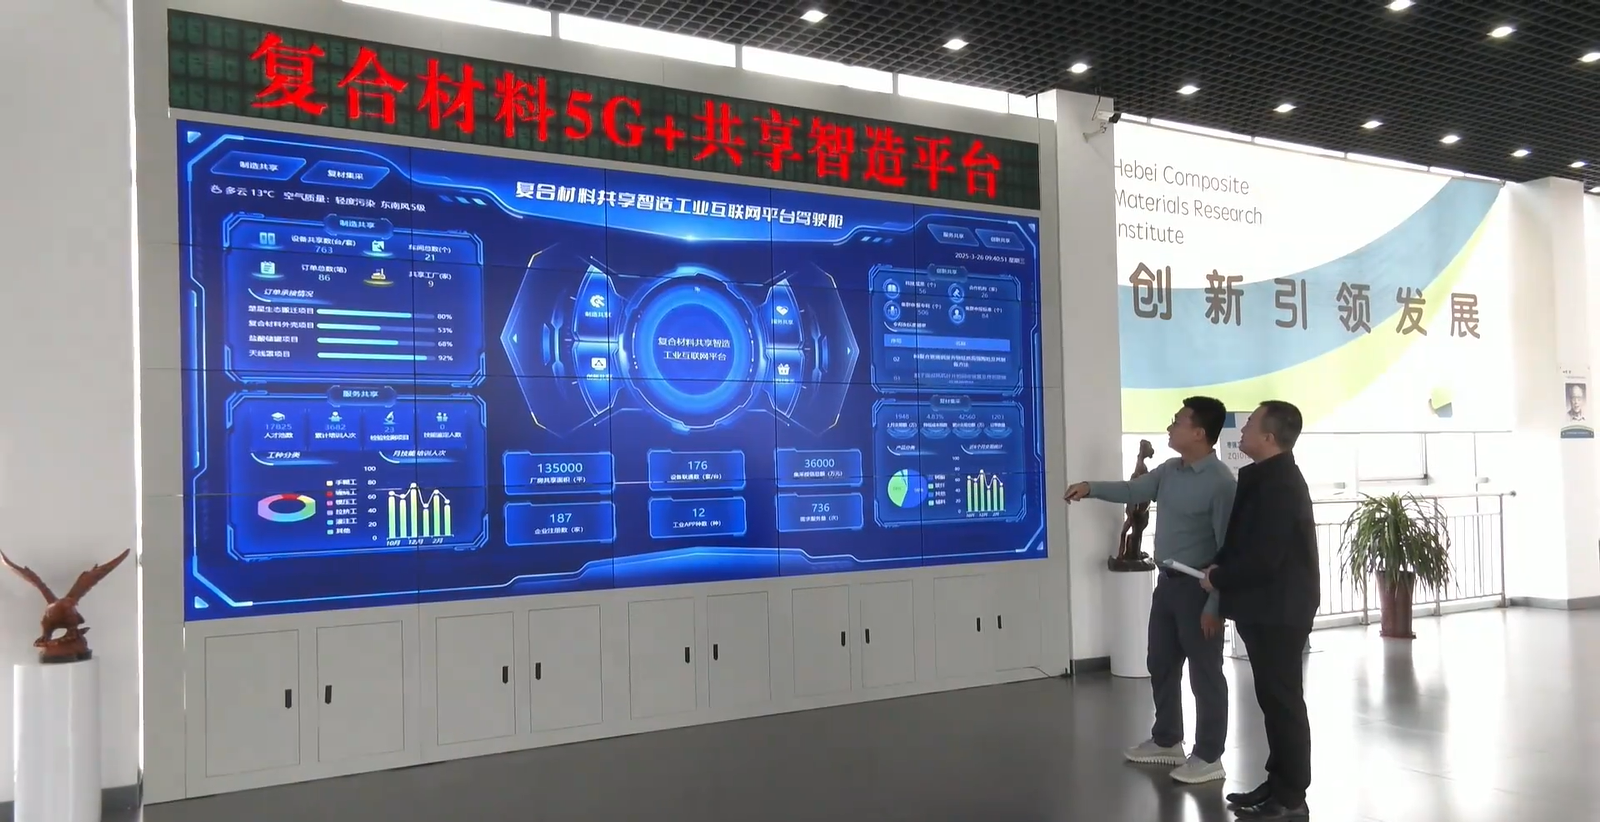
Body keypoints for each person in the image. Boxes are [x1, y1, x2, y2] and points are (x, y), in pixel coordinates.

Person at [1065, 396, 1236, 785]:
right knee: (1160, 662)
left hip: (1198, 589)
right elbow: (1132, 490)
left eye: (1177, 422)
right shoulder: (1171, 470)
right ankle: (1167, 740)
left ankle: (1209, 756)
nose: (1170, 427)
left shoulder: (1221, 483)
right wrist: (1090, 488)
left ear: (1199, 432)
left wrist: (1215, 604)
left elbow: (1228, 550)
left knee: (1205, 675)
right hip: (1167, 584)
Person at [1200, 400, 1319, 819]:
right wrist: (1218, 566)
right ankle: (1279, 781)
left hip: (1280, 609)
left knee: (1283, 701)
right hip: (1266, 607)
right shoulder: (1264, 477)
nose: (1243, 429)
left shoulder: (1280, 484)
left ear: (1269, 437)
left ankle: (1292, 796)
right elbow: (1243, 542)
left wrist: (1219, 577)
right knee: (1272, 698)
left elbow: (1265, 557)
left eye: (1250, 423)